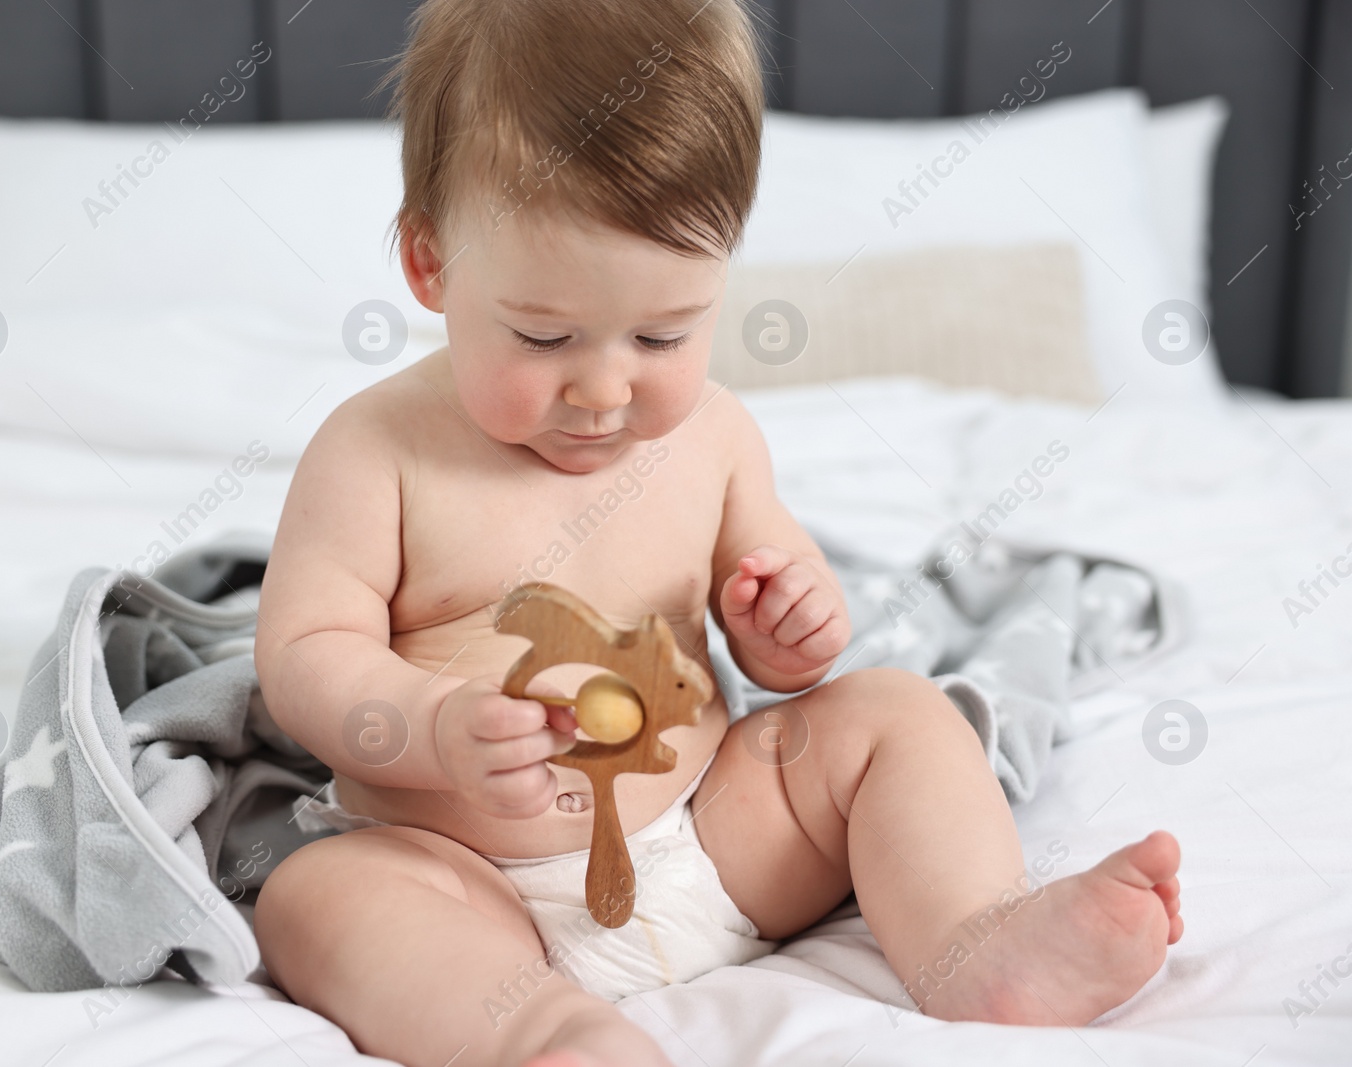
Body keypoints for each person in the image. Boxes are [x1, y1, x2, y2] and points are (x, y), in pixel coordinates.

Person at [253, 2, 1183, 1063]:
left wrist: (793, 630)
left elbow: (779, 637)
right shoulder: (375, 453)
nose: (603, 387)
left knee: (894, 713)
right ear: (430, 263)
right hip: (459, 868)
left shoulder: (717, 435)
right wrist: (428, 728)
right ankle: (543, 1031)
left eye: (663, 332)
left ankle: (974, 937)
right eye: (543, 334)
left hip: (712, 837)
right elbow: (302, 656)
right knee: (314, 895)